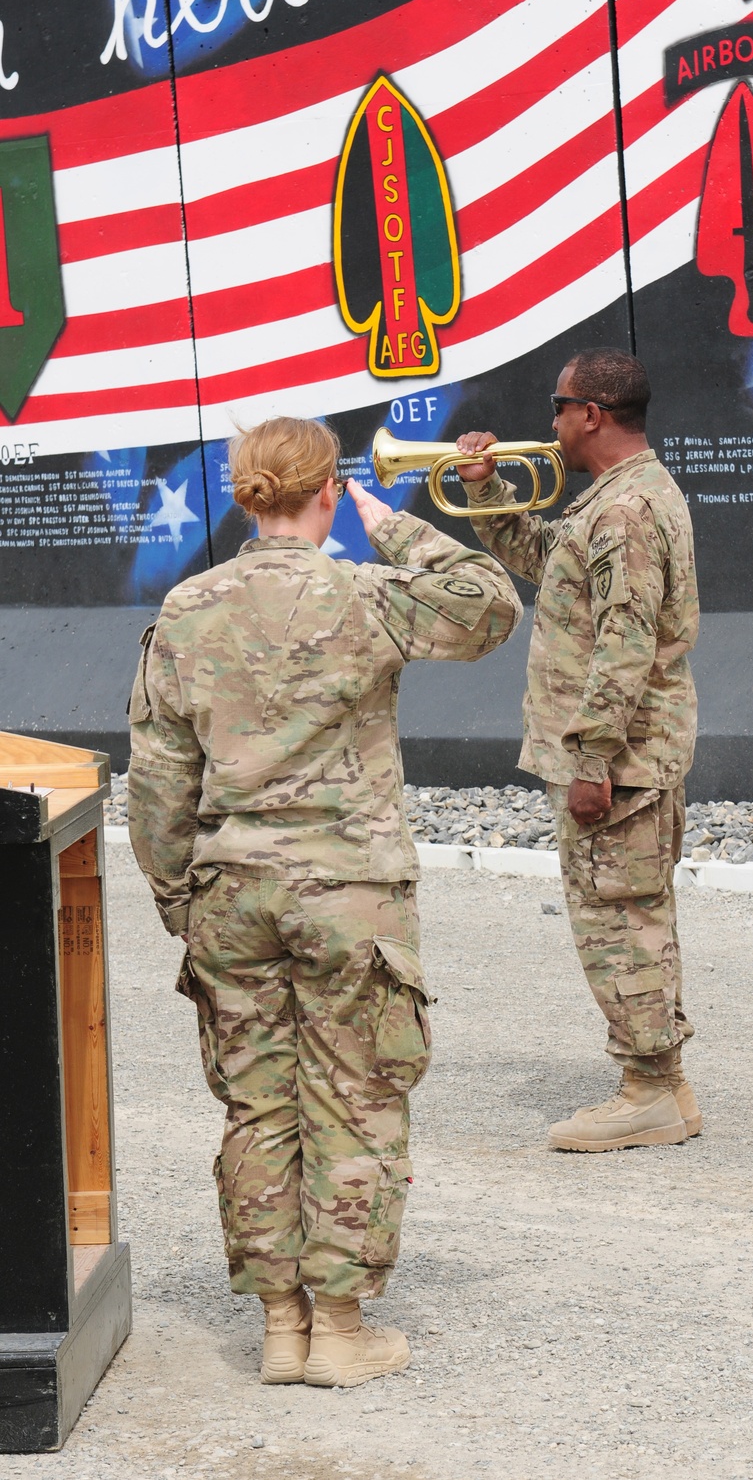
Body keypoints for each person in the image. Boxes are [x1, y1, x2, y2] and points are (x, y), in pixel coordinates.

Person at [127, 416, 521, 1386]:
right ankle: (339, 1332)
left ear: (243, 492)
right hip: (350, 894)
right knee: (355, 1103)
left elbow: (156, 779)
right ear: (327, 490)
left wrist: (181, 894)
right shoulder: (365, 594)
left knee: (259, 1108)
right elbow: (491, 602)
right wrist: (391, 524)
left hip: (232, 893)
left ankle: (279, 1328)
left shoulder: (185, 608)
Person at [454, 347, 700, 1152]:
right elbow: (539, 560)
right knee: (631, 914)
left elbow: (624, 646)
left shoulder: (626, 512)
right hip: (628, 754)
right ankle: (658, 1079)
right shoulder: (617, 500)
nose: (551, 422)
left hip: (620, 762)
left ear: (591, 413)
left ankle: (649, 1089)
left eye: (558, 407)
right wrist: (485, 491)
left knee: (616, 921)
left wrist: (591, 759)